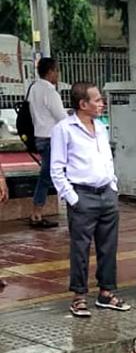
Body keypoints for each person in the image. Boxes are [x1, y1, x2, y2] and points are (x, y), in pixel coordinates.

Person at [50, 81, 130, 317]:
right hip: (82, 195)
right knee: (80, 248)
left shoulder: (101, 128)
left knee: (108, 247)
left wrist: (113, 186)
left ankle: (106, 292)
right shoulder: (64, 129)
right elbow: (56, 169)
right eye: (97, 100)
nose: (101, 103)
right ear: (83, 104)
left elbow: (107, 159)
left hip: (106, 193)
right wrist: (73, 198)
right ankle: (79, 297)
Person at [28, 57, 67, 229]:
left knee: (47, 175)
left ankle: (37, 213)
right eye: (56, 71)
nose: (57, 74)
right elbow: (62, 117)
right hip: (52, 138)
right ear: (50, 71)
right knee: (50, 176)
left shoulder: (33, 88)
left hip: (39, 137)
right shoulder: (50, 92)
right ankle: (36, 214)